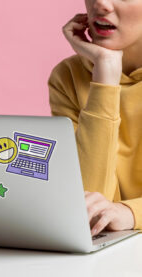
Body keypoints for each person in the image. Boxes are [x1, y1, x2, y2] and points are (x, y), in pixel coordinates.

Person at [48, 0, 142, 237]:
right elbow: (89, 203)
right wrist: (105, 77)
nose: (100, 3)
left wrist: (130, 213)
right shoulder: (68, 76)